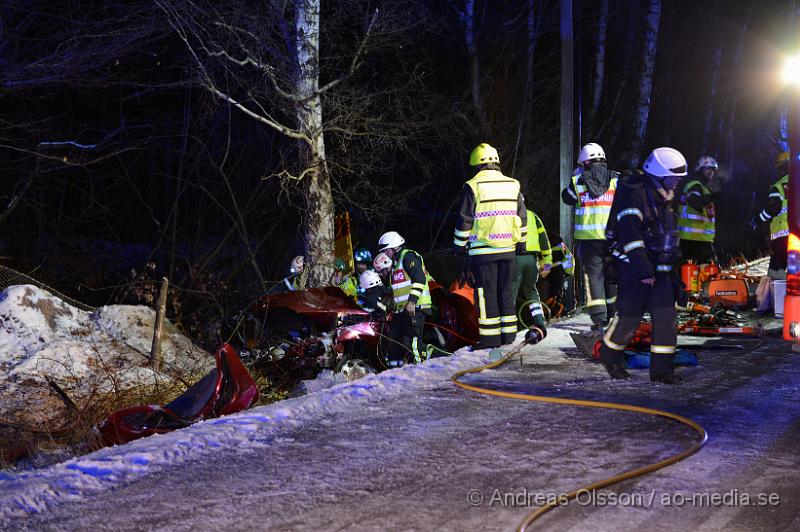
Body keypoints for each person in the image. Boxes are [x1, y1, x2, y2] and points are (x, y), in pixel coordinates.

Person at [600, 147, 688, 384]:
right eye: (675, 176)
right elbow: (630, 235)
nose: (679, 181)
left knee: (666, 317)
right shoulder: (635, 195)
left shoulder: (664, 196)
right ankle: (610, 354)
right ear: (660, 174)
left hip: (660, 269)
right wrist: (643, 269)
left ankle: (662, 371)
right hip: (636, 268)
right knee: (629, 318)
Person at [453, 143, 528, 348]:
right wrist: (521, 243)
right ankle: (508, 337)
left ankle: (489, 339)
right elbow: (522, 216)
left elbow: (464, 220)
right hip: (509, 250)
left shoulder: (473, 186)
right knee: (505, 292)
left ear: (476, 165)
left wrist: (459, 246)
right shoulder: (513, 184)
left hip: (484, 251)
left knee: (486, 295)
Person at [561, 142, 619, 333]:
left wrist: (575, 175)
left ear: (585, 162)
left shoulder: (578, 181)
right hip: (613, 238)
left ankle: (599, 319)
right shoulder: (616, 180)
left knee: (594, 277)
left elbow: (567, 197)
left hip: (589, 239)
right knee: (612, 277)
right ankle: (614, 315)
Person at [378, 231, 434, 365]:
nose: (385, 254)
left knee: (412, 343)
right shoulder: (396, 264)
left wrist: (412, 302)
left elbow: (420, 279)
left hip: (416, 307)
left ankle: (421, 368)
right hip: (402, 311)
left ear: (394, 246)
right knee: (393, 341)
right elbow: (398, 291)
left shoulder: (408, 257)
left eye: (386, 251)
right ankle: (395, 373)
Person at [511, 209, 551, 339]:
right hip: (532, 260)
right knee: (531, 290)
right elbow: (544, 239)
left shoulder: (506, 214)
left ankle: (508, 329)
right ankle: (540, 321)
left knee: (510, 293)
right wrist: (548, 263)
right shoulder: (533, 215)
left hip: (514, 258)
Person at [750, 152, 790, 279]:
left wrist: (756, 220)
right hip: (797, 234)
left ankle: (777, 296)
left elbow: (771, 209)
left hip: (783, 236)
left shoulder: (779, 187)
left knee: (776, 272)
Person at [677, 156, 723, 264]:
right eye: (707, 168)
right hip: (692, 239)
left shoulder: (704, 187)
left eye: (712, 169)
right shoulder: (694, 185)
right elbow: (695, 202)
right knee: (708, 271)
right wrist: (712, 197)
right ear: (700, 169)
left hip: (700, 239)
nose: (710, 172)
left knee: (699, 273)